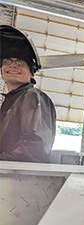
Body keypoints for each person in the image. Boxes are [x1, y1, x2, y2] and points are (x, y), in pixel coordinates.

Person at [0, 25, 56, 163]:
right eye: (8, 61)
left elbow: (34, 148)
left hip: (17, 179)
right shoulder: (11, 101)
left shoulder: (31, 96)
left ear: (32, 73)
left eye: (20, 62)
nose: (13, 65)